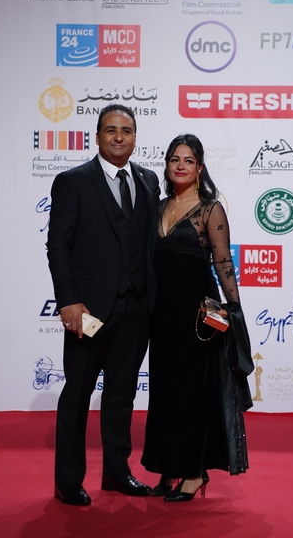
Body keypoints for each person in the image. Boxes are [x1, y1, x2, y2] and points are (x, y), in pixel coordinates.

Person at [47, 104, 160, 505]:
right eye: (110, 130)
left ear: (135, 138)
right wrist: (68, 301)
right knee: (77, 396)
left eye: (126, 131)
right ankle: (68, 482)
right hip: (89, 313)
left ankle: (116, 472)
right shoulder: (73, 182)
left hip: (137, 311)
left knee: (121, 395)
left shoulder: (148, 180)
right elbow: (58, 247)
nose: (118, 137)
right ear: (97, 136)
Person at [141, 134, 253, 502]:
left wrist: (233, 310)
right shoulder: (158, 207)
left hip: (197, 317)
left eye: (188, 160)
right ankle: (168, 466)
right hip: (162, 315)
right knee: (165, 392)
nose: (181, 165)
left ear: (199, 168)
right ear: (167, 165)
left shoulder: (210, 209)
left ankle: (193, 472)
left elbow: (223, 262)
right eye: (175, 159)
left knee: (191, 394)